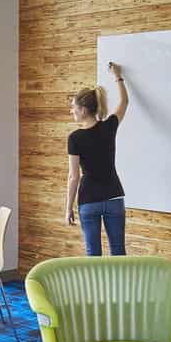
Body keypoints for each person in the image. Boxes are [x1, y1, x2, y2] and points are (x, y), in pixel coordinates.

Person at [66, 61, 129, 256]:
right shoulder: (109, 127)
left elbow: (73, 177)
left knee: (93, 254)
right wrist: (118, 76)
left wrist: (68, 208)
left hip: (89, 201)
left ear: (83, 110)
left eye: (73, 107)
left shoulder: (75, 138)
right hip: (114, 197)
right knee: (118, 252)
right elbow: (124, 102)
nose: (71, 111)